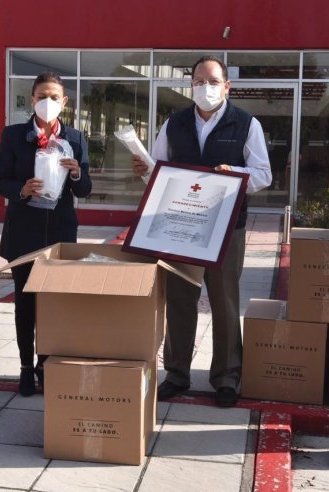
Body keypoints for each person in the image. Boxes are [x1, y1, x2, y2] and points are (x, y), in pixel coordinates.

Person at [132, 56, 272, 408]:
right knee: (180, 300)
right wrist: (144, 169)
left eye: (212, 81)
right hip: (180, 225)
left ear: (227, 86)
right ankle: (177, 373)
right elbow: (158, 170)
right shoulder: (174, 123)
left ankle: (226, 376)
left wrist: (235, 174)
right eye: (198, 81)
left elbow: (263, 174)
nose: (204, 87)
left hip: (226, 227)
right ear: (190, 85)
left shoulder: (246, 123)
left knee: (225, 301)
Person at [0, 72, 92, 397]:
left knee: (53, 305)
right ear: (32, 99)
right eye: (42, 96)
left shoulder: (75, 137)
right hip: (23, 230)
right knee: (25, 303)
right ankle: (25, 367)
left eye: (54, 97)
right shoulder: (13, 135)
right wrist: (21, 189)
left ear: (65, 102)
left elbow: (85, 188)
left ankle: (45, 364)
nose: (48, 102)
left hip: (60, 231)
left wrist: (76, 174)